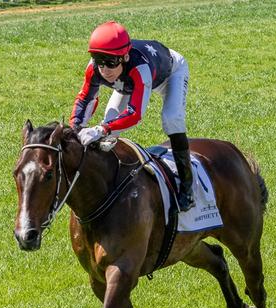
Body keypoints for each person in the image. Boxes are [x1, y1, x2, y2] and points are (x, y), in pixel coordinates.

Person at [70, 21, 195, 212]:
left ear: (125, 57)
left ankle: (187, 187)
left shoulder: (140, 69)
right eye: (99, 60)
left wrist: (101, 129)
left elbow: (135, 113)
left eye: (110, 62)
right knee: (110, 117)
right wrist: (76, 127)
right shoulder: (96, 68)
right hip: (126, 82)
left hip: (171, 74)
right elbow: (85, 98)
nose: (104, 70)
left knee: (171, 119)